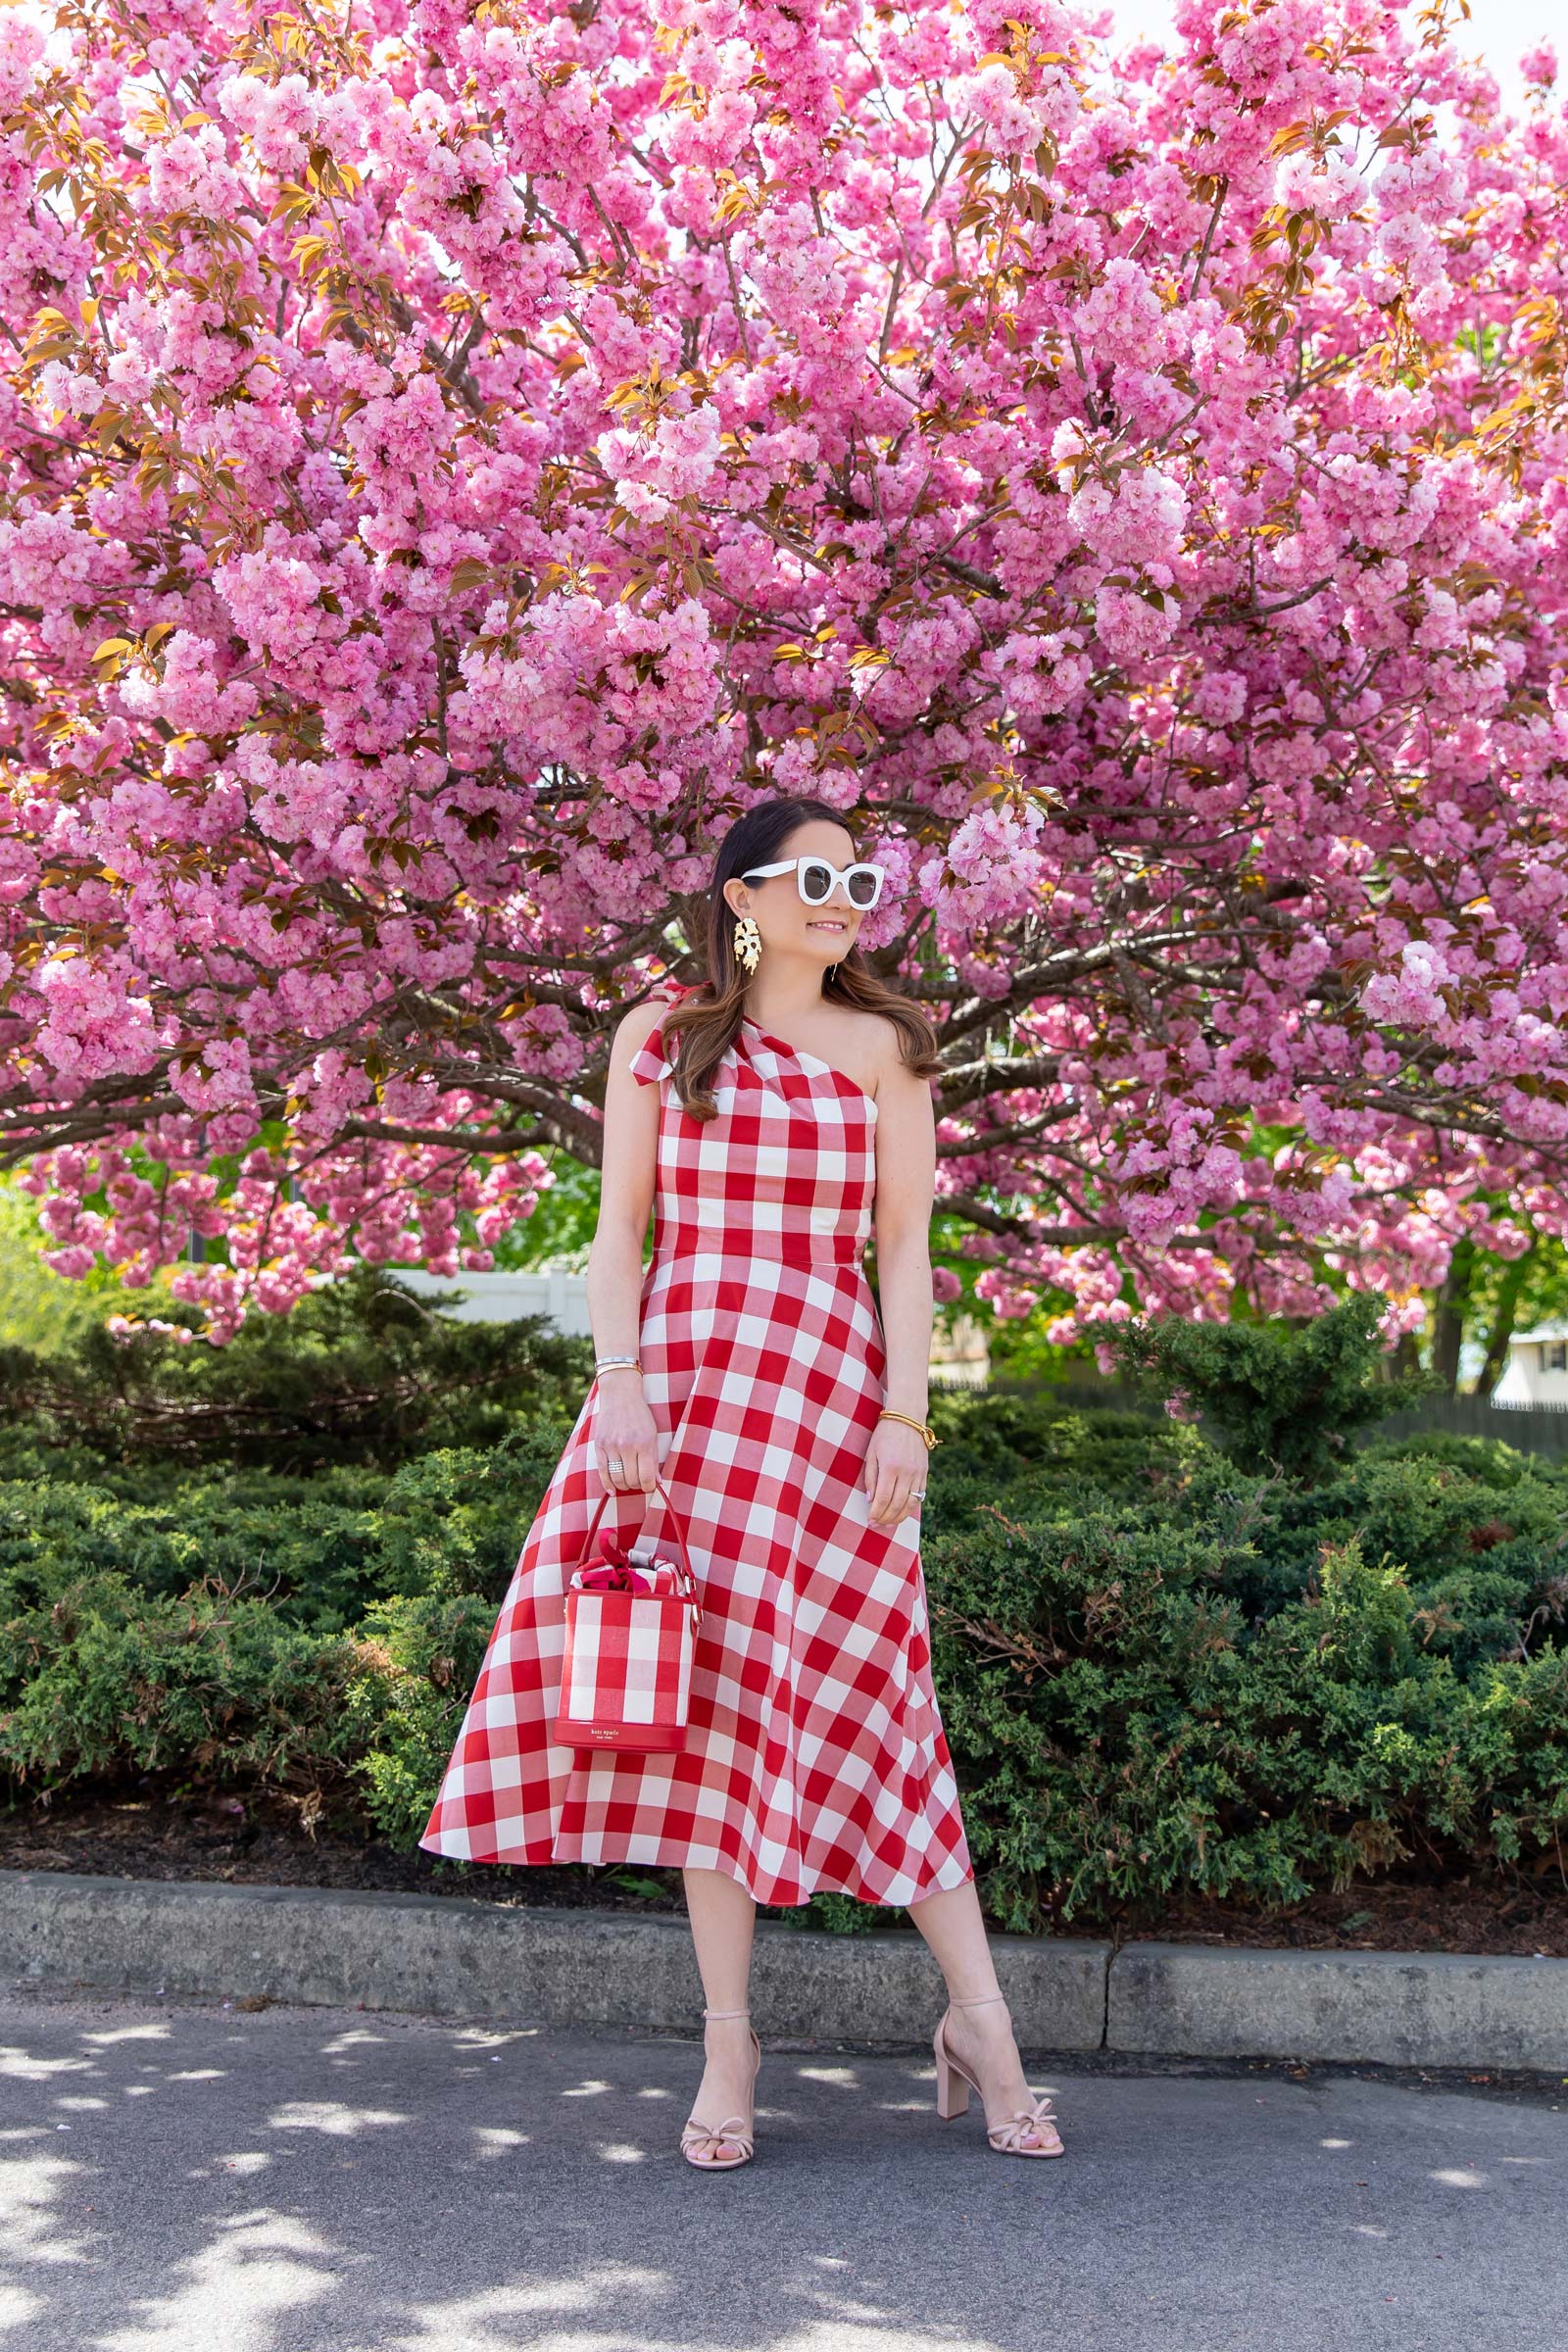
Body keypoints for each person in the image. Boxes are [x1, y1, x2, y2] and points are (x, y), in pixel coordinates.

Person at [420, 796, 1063, 2170]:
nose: (844, 900)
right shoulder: (659, 1038)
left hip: (833, 1406)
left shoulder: (894, 1044)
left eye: (862, 879)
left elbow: (902, 1250)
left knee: (885, 1696)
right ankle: (730, 2044)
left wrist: (908, 1415)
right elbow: (620, 1235)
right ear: (744, 896)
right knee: (707, 1718)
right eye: (817, 876)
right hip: (689, 1396)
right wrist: (619, 1385)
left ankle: (983, 2023)